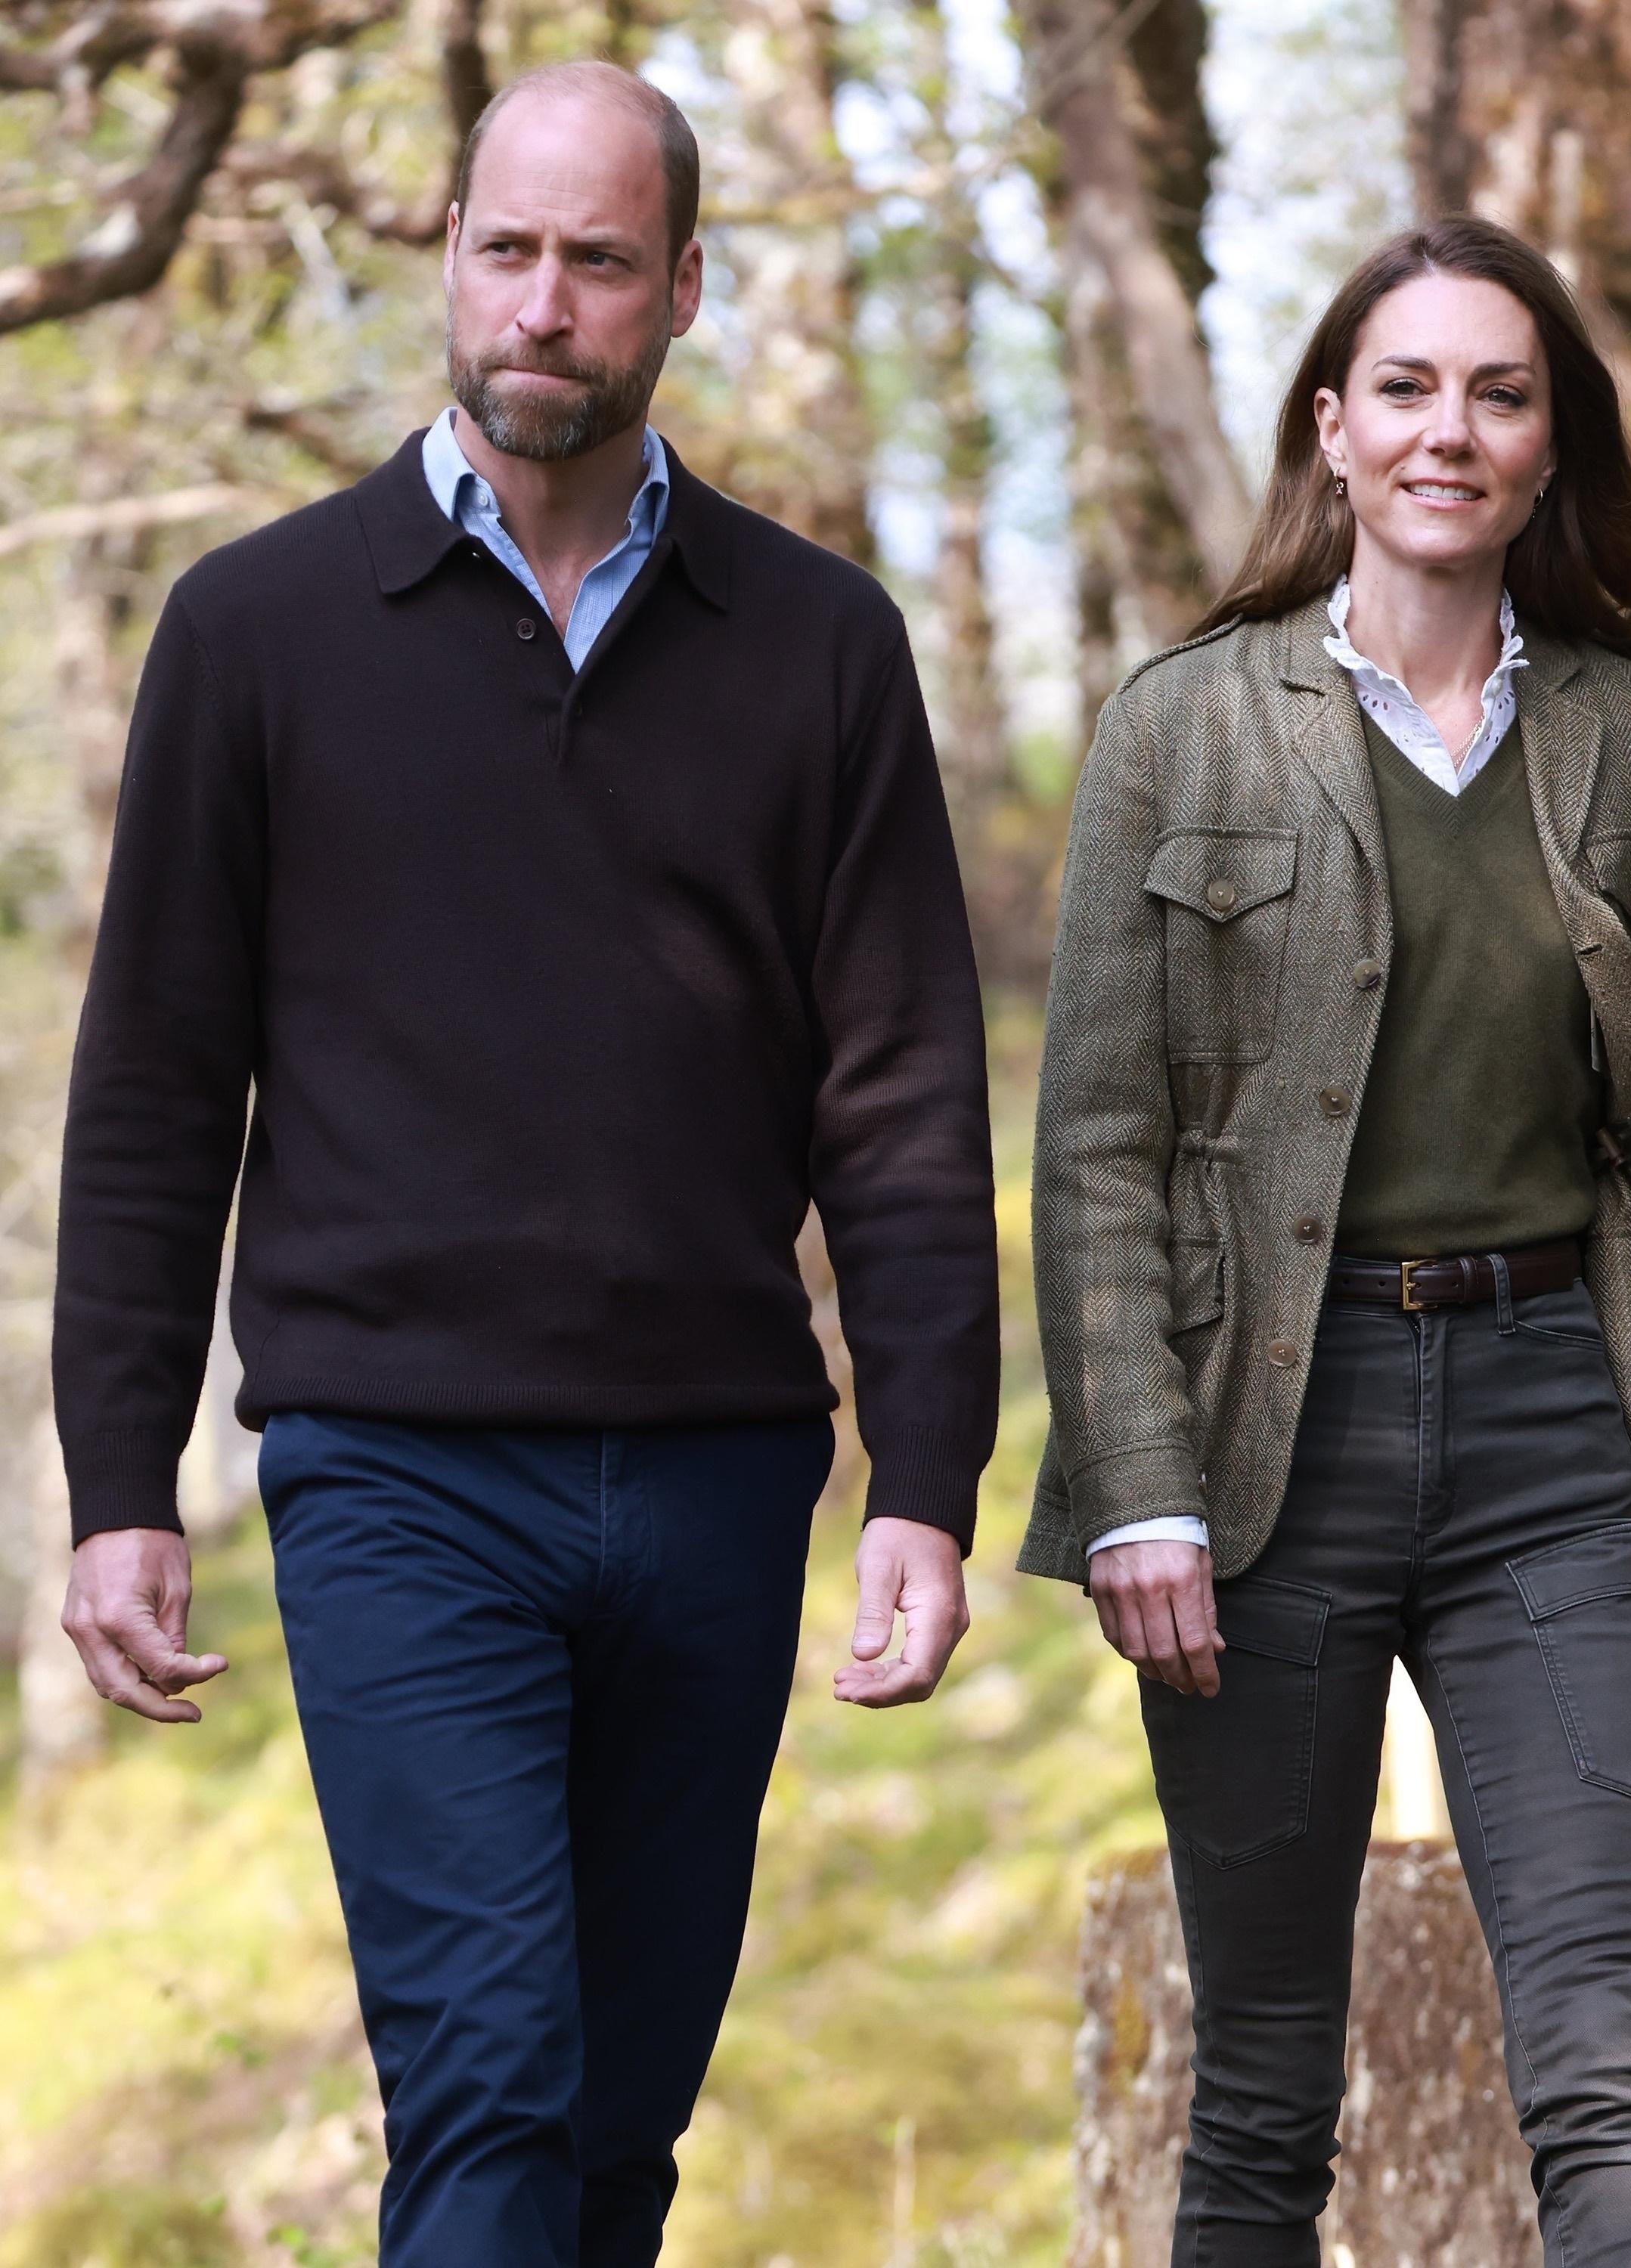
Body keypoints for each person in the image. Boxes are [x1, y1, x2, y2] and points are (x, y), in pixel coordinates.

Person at [51, 60, 999, 2268]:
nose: (543, 305)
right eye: (505, 251)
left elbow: (898, 1096)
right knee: (488, 2085)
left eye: (597, 260)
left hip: (717, 1471)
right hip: (396, 1470)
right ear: (446, 259)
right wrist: (119, 1478)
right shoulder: (256, 630)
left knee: (613, 2137)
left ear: (685, 287)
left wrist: (929, 1478)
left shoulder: (823, 647)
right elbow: (158, 1085)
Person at [1021, 215, 1631, 2268]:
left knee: (1607, 2083)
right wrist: (1136, 1488)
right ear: (1331, 428)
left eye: (1498, 393)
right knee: (1262, 2103)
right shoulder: (1181, 728)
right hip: (1264, 1451)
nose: (1447, 431)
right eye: (1405, 387)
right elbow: (1099, 1148)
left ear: (1548, 448)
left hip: (1557, 1444)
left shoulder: (1629, 733)